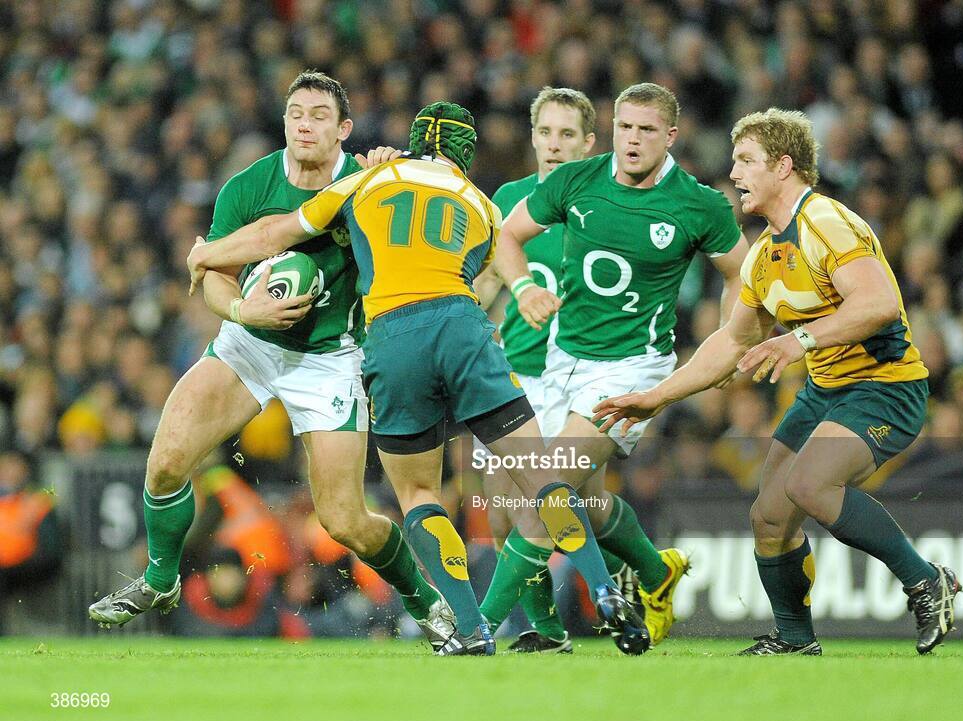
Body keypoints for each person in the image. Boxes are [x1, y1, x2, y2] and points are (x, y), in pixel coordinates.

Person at [185, 102, 650, 656]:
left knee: (420, 494)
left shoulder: (367, 178)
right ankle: (604, 588)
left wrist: (206, 254)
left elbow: (273, 234)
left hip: (392, 335)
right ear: (465, 154)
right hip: (462, 327)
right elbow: (471, 274)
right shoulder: (481, 206)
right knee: (542, 476)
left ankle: (471, 629)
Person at [89, 72, 455, 651]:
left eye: (317, 115)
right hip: (251, 343)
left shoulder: (369, 184)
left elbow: (432, 202)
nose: (304, 124)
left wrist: (392, 164)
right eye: (295, 114)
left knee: (344, 521)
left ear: (344, 130)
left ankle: (424, 601)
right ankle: (160, 580)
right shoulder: (248, 186)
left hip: (331, 357)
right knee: (165, 464)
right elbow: (211, 277)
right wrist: (241, 309)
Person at [593, 108, 962, 656]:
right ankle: (795, 640)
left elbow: (881, 303)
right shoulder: (764, 254)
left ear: (783, 166)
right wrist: (656, 397)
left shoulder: (826, 222)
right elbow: (730, 342)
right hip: (825, 393)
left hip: (885, 385)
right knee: (769, 515)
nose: (734, 172)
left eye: (746, 161)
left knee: (810, 486)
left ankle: (925, 579)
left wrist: (799, 341)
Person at [490, 82, 750, 646]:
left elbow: (742, 274)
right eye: (625, 127)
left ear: (671, 136)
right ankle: (656, 574)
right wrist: (524, 284)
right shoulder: (576, 181)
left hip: (633, 370)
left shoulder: (698, 204)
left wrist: (733, 339)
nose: (632, 140)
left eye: (646, 130)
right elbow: (507, 237)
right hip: (563, 358)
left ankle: (476, 627)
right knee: (583, 498)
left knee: (548, 486)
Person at [472, 86, 634, 654]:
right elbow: (488, 280)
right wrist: (465, 322)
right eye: (545, 132)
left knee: (563, 503)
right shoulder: (511, 200)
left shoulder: (608, 202)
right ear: (533, 136)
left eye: (568, 134)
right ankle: (553, 627)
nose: (554, 145)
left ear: (590, 143)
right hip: (514, 373)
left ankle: (626, 582)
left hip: (579, 375)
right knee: (503, 515)